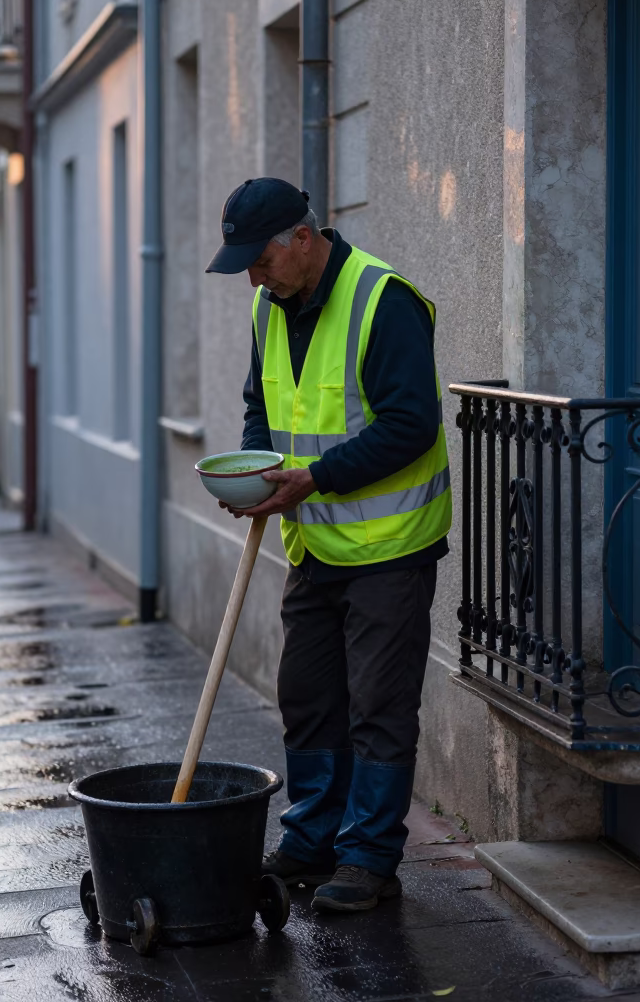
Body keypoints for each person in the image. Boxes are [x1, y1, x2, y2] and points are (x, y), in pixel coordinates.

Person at [205, 177, 452, 914]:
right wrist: (256, 471)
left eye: (261, 259)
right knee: (309, 699)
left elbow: (414, 425)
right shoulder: (268, 305)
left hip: (390, 548)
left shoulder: (383, 301)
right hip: (313, 546)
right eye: (246, 263)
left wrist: (313, 479)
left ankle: (369, 858)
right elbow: (262, 406)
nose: (253, 275)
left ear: (303, 239)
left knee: (379, 707)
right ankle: (312, 840)